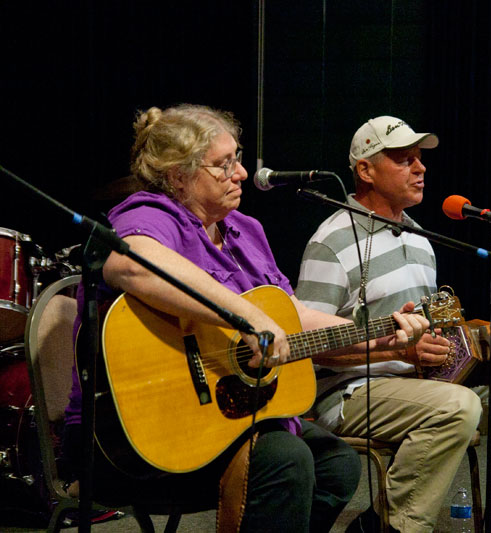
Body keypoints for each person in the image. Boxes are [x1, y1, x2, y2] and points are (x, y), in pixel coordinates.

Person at [61, 104, 430, 532]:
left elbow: (293, 318)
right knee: (285, 459)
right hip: (127, 437)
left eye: (236, 158)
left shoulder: (246, 230)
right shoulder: (147, 215)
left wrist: (379, 337)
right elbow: (131, 265)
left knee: (337, 463)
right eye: (224, 164)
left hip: (227, 419)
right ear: (179, 175)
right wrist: (247, 317)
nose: (240, 174)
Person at [295, 116, 491, 533]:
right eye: (404, 160)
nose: (420, 169)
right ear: (365, 170)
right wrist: (397, 351)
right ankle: (388, 526)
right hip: (350, 393)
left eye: (419, 159)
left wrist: (469, 350)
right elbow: (308, 343)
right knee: (457, 407)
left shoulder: (420, 239)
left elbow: (423, 334)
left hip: (419, 384)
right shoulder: (331, 242)